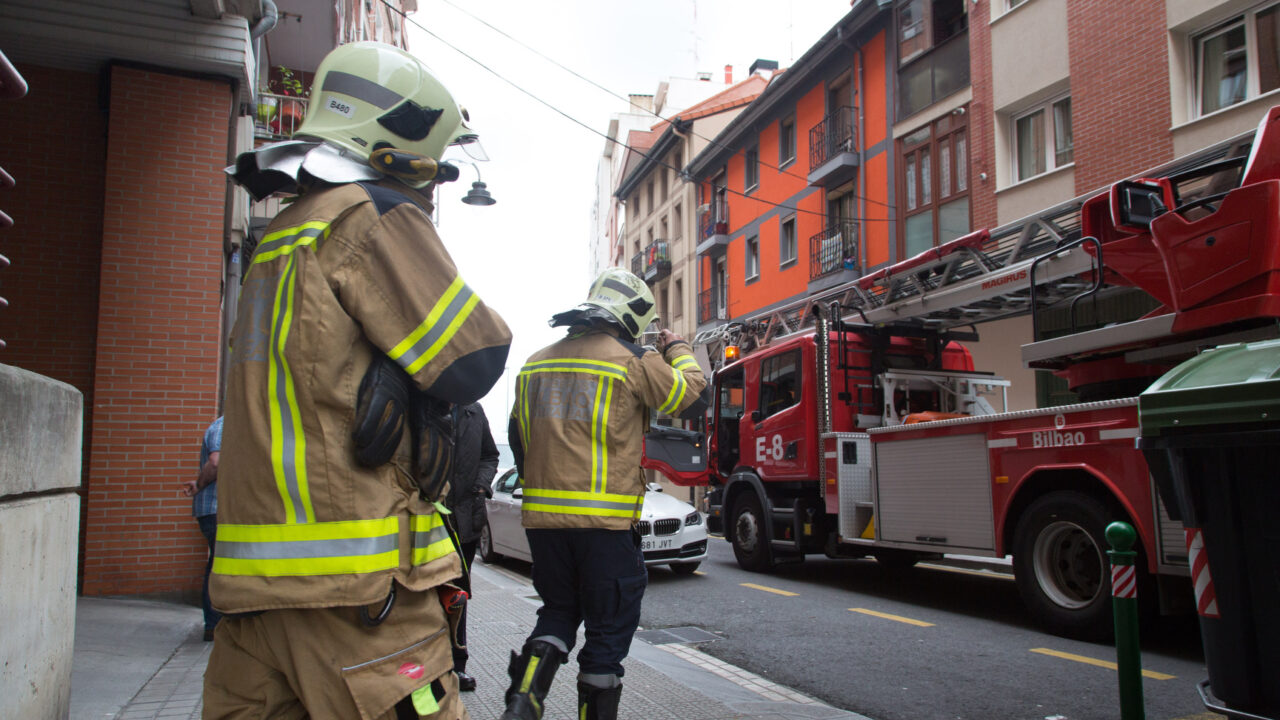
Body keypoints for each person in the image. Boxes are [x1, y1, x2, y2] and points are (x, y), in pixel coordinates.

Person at [206, 41, 510, 720]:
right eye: (436, 168)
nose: (435, 186)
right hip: (356, 598)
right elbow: (476, 360)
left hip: (254, 598)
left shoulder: (282, 236)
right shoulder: (368, 214)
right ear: (399, 146)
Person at [500, 268, 709, 720]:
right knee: (606, 637)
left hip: (544, 527)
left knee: (557, 613)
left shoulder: (535, 363)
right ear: (632, 316)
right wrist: (678, 349)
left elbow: (518, 439)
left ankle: (522, 700)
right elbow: (694, 397)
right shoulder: (633, 361)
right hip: (605, 529)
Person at [445, 402, 499, 691]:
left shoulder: (474, 411)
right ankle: (431, 663)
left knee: (458, 594)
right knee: (427, 593)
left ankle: (458, 664)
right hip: (430, 519)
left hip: (466, 518)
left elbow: (490, 455)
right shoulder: (424, 401)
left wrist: (481, 485)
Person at [180, 415, 223, 642]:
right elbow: (215, 462)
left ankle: (215, 624)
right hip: (216, 509)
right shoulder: (224, 425)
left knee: (216, 563)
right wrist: (199, 485)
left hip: (214, 509)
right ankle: (214, 624)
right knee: (219, 565)